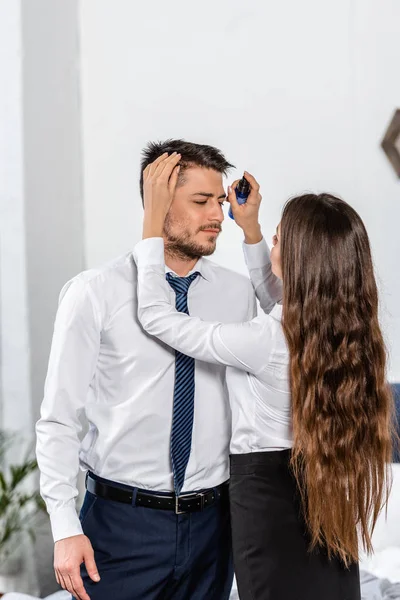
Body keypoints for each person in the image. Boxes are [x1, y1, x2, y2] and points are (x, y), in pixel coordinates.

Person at [134, 153, 395, 600]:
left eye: (278, 238)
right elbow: (279, 299)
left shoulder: (264, 340)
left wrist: (151, 229)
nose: (272, 239)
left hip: (266, 501)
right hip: (321, 490)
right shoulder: (341, 335)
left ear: (300, 260)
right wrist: (251, 230)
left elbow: (157, 317)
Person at [35, 140, 281, 600]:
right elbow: (58, 419)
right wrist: (65, 526)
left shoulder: (237, 293)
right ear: (160, 204)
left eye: (219, 201)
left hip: (214, 526)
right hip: (120, 525)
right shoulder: (95, 293)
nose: (216, 215)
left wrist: (252, 231)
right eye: (201, 201)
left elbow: (286, 314)